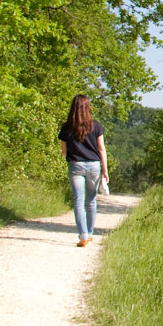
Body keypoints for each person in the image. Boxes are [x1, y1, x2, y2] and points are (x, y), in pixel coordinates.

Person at [59, 94, 109, 246]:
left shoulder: (66, 127)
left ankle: (83, 236)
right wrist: (105, 171)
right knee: (91, 201)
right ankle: (90, 232)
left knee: (78, 201)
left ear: (73, 108)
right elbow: (101, 149)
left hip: (76, 165)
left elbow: (63, 151)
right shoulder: (96, 126)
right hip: (94, 165)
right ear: (88, 108)